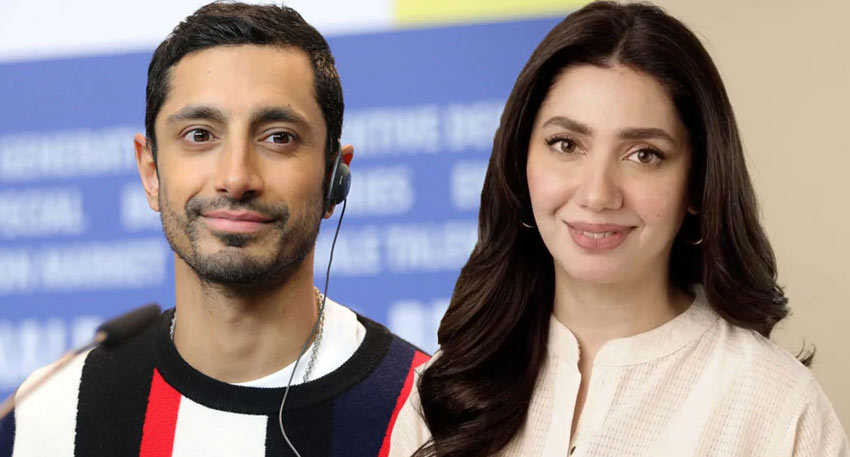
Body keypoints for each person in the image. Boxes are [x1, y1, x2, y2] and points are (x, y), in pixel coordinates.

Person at [388, 2, 849, 456]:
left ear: (698, 184)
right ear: (519, 162)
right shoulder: (448, 389)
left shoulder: (778, 407)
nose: (597, 194)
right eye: (565, 144)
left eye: (644, 154)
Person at [0, 3, 427, 456]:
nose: (237, 177)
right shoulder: (41, 419)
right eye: (200, 135)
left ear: (333, 179)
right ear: (150, 171)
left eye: (278, 137)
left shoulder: (431, 416)